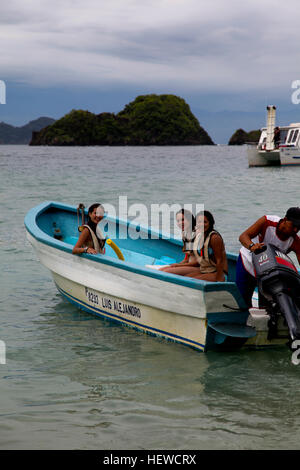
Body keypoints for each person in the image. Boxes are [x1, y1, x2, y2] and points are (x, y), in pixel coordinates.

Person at [236, 207, 300, 307]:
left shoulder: (295, 241)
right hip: (247, 263)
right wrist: (252, 246)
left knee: (267, 307)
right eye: (294, 225)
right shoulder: (267, 221)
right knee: (241, 300)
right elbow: (243, 236)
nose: (296, 230)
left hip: (267, 272)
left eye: (299, 227)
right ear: (285, 220)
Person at [186, 210, 228, 282]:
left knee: (190, 281)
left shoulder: (214, 237)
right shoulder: (200, 235)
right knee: (186, 278)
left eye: (205, 222)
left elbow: (220, 260)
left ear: (210, 223)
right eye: (199, 222)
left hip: (218, 273)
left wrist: (219, 279)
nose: (201, 224)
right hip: (205, 270)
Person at [159, 209, 199, 275]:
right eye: (178, 221)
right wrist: (176, 264)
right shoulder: (185, 235)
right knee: (161, 269)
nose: (180, 223)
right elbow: (186, 259)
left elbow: (199, 262)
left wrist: (179, 266)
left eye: (183, 220)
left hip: (198, 267)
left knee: (165, 272)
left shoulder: (197, 235)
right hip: (189, 265)